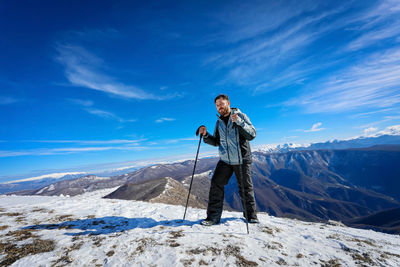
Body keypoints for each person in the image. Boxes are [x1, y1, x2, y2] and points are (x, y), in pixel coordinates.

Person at [198, 94, 259, 226]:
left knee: (245, 187)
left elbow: (252, 135)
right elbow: (216, 142)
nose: (219, 107)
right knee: (216, 184)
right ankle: (213, 218)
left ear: (228, 103)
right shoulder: (219, 122)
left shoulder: (240, 116)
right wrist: (205, 134)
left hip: (241, 158)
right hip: (225, 160)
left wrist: (239, 122)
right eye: (217, 105)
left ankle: (251, 216)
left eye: (221, 103)